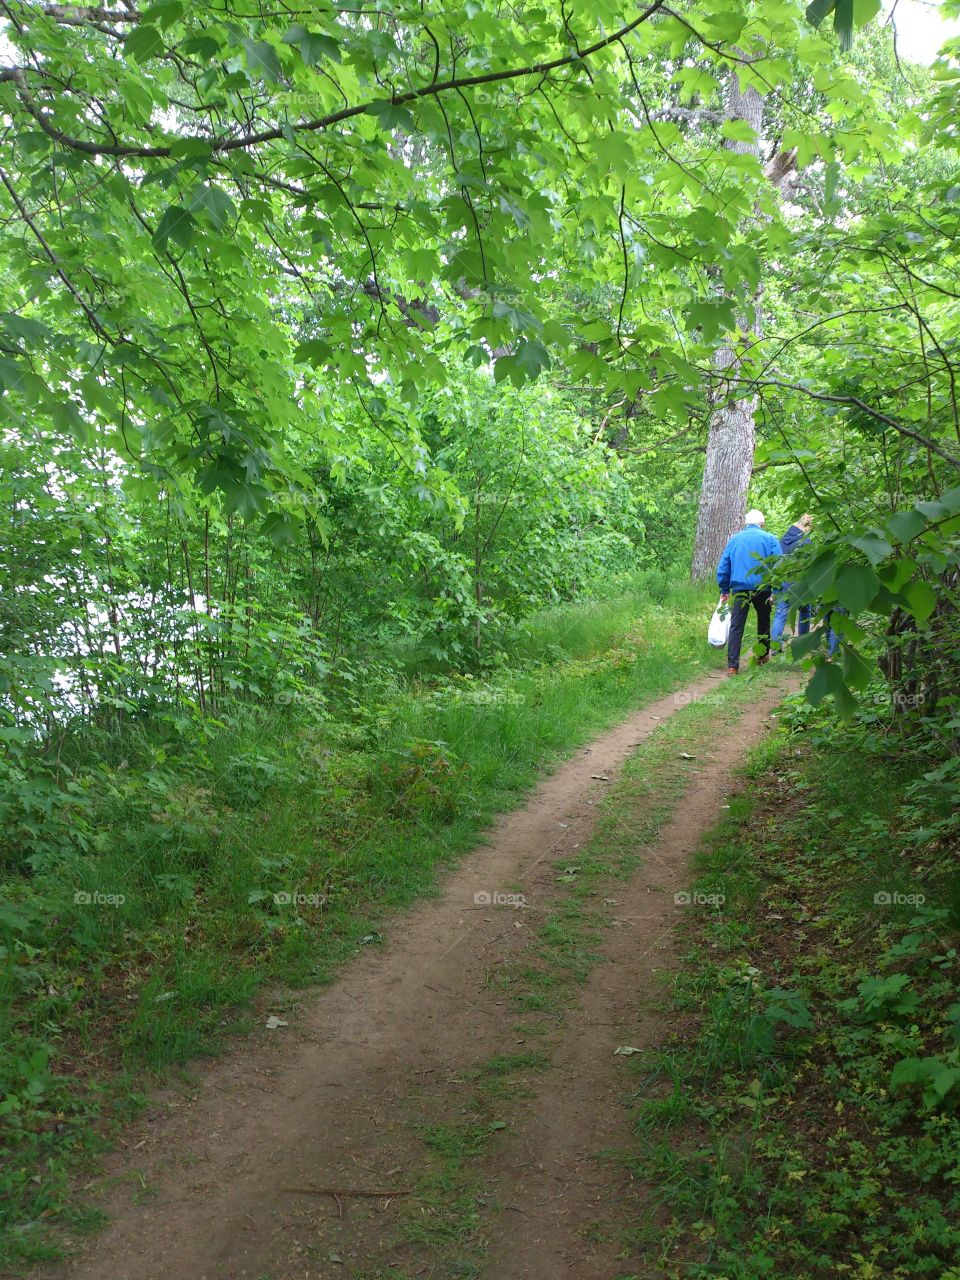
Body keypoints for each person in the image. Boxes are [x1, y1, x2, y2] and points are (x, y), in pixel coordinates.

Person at [717, 510, 782, 675]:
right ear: (762, 523)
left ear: (746, 523)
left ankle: (733, 666)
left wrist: (724, 589)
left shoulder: (735, 539)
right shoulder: (771, 539)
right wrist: (776, 590)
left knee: (736, 626)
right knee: (763, 621)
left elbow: (724, 565)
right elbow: (779, 566)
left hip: (740, 589)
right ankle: (761, 657)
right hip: (763, 588)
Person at [770, 513, 813, 653]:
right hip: (801, 585)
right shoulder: (806, 543)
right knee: (805, 611)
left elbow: (776, 563)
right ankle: (803, 644)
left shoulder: (782, 541)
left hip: (783, 583)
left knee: (781, 612)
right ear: (806, 527)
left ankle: (776, 648)